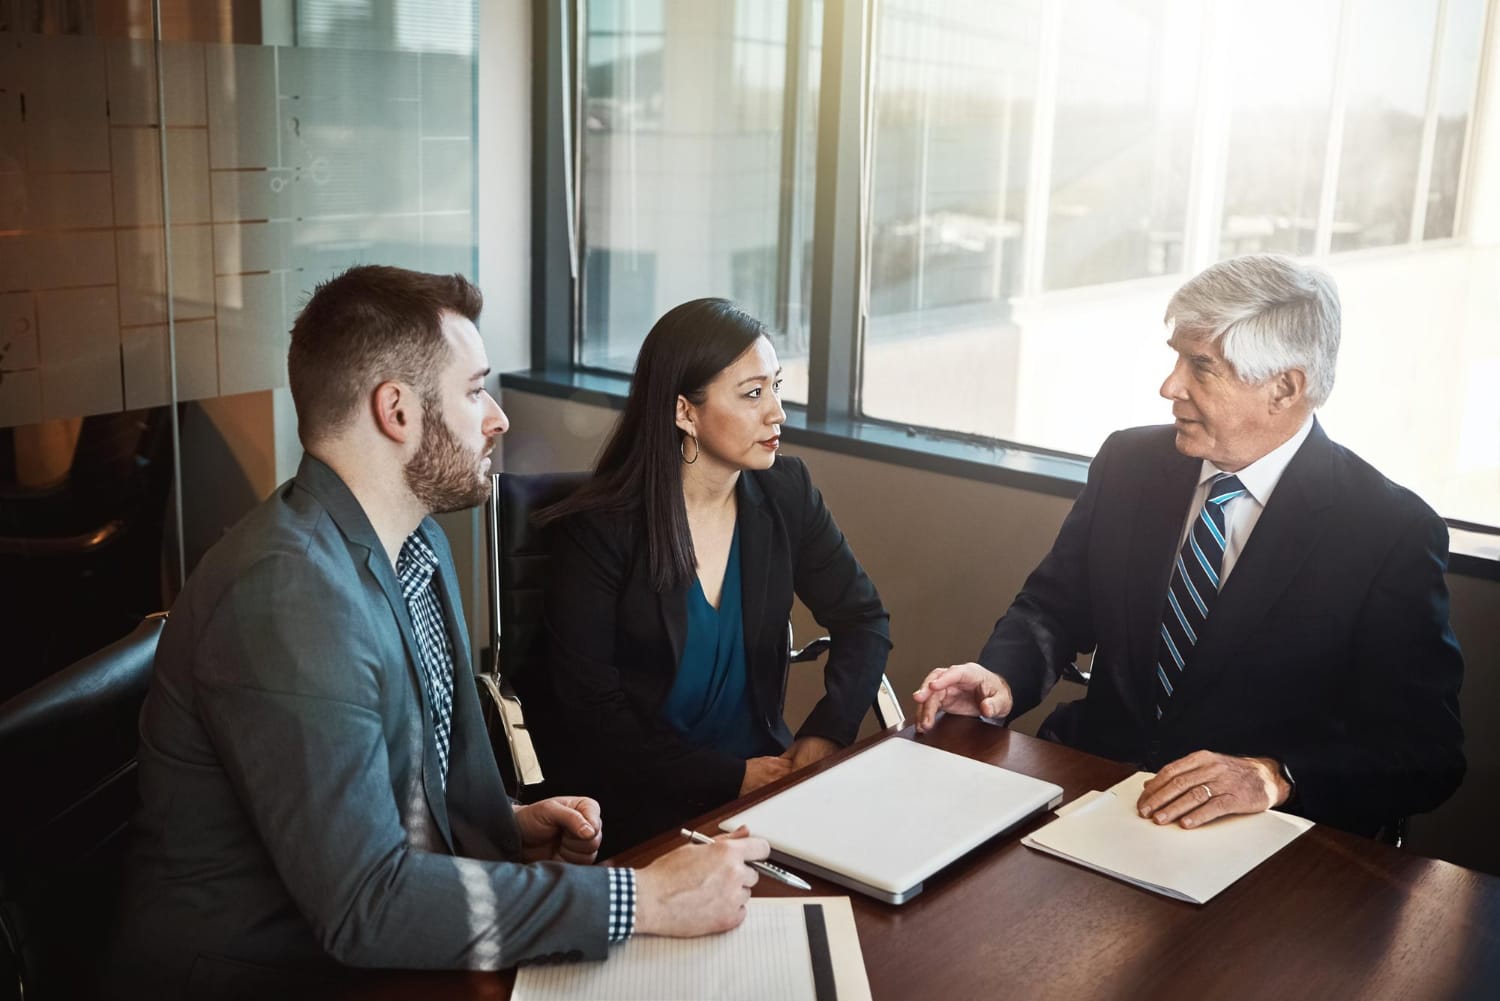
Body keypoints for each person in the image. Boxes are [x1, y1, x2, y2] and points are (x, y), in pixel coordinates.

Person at [108, 267, 769, 1000]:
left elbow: (399, 784)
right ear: (396, 409)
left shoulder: (412, 547)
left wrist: (508, 825)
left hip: (367, 952)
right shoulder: (290, 593)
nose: (498, 416)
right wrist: (644, 898)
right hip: (266, 977)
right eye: (474, 388)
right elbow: (366, 904)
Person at [912, 254, 1464, 838]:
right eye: (1177, 357)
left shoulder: (1388, 530)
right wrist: (1001, 678)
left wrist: (1275, 776)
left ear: (1285, 387)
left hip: (1258, 839)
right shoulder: (1129, 463)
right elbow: (1054, 608)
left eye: (1202, 366)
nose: (1169, 385)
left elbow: (1425, 750)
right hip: (1094, 784)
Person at [534, 298, 891, 855]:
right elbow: (594, 720)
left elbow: (863, 619)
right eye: (752, 394)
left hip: (768, 786)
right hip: (641, 804)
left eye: (775, 386)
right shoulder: (599, 531)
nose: (777, 413)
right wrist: (733, 779)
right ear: (684, 411)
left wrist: (823, 737)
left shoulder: (785, 491)